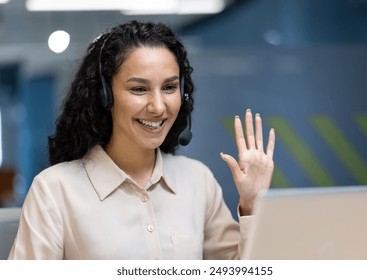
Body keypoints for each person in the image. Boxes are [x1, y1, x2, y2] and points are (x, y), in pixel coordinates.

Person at [8, 20, 275, 260]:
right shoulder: (54, 190)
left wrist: (252, 203)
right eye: (139, 89)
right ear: (104, 96)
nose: (158, 106)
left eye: (169, 87)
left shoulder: (198, 180)